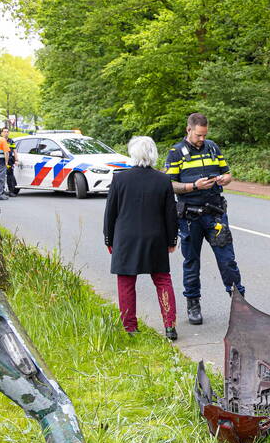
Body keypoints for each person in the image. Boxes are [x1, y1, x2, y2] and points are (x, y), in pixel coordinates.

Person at [164, 112, 244, 325]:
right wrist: (193, 186)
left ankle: (240, 303)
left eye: (204, 135)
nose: (202, 139)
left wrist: (224, 179)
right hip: (190, 217)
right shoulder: (175, 153)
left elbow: (227, 173)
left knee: (227, 260)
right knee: (191, 261)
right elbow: (169, 184)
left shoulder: (212, 147)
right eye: (198, 135)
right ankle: (193, 303)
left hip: (215, 213)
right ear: (188, 130)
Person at [104, 136, 180, 340]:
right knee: (163, 280)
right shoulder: (163, 179)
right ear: (153, 154)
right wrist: (172, 240)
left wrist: (108, 239)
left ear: (132, 153)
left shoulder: (120, 179)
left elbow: (110, 212)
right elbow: (170, 214)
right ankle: (170, 326)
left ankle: (130, 327)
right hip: (156, 238)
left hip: (126, 238)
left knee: (126, 281)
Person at [0, 129, 10, 201]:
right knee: (0, 178)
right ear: (0, 133)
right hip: (0, 162)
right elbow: (6, 152)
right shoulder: (2, 140)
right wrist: (6, 162)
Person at [1, 127, 18, 195]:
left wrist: (16, 160)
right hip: (1, 160)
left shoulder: (11, 141)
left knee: (10, 176)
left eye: (7, 132)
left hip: (10, 160)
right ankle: (1, 191)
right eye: (4, 131)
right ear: (2, 133)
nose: (6, 133)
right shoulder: (0, 140)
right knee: (1, 176)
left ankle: (11, 191)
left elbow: (15, 151)